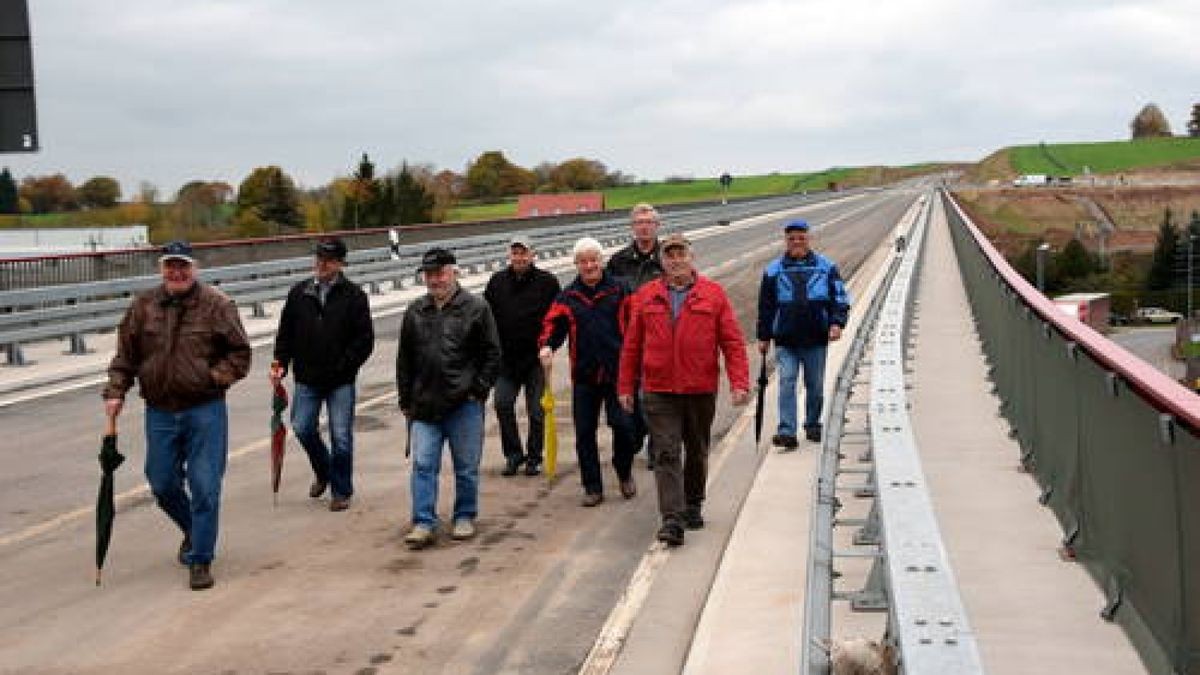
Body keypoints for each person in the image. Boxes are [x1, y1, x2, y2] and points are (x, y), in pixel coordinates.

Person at [102, 241, 251, 590]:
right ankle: (193, 530)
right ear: (162, 269)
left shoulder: (217, 305)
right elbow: (126, 355)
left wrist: (212, 379)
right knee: (162, 482)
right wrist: (115, 391)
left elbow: (239, 354)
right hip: (160, 411)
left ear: (194, 269)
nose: (177, 273)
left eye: (183, 266)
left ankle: (200, 559)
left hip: (204, 410)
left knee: (204, 487)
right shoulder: (143, 306)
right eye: (170, 266)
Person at [619, 233, 750, 546]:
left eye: (681, 255)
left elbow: (732, 341)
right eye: (670, 256)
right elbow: (632, 345)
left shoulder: (713, 294)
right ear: (662, 261)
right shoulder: (647, 295)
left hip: (699, 387)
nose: (676, 261)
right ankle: (672, 519)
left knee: (696, 449)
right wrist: (625, 385)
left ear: (692, 258)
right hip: (658, 389)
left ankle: (693, 503)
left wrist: (739, 382)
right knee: (665, 452)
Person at [396, 247, 501, 549]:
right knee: (423, 464)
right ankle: (423, 521)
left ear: (454, 272)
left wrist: (478, 391)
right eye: (429, 275)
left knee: (466, 466)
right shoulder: (415, 311)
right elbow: (405, 360)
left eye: (440, 273)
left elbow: (493, 356)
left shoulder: (476, 308)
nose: (435, 280)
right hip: (424, 406)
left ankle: (464, 515)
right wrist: (406, 400)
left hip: (464, 404)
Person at [270, 237, 375, 512]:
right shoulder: (298, 293)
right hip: (307, 378)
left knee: (341, 437)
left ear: (340, 263)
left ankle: (341, 491)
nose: (321, 264)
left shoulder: (354, 296)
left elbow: (365, 340)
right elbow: (285, 335)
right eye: (318, 258)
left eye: (328, 260)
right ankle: (324, 471)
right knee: (303, 428)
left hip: (340, 381)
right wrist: (280, 363)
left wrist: (345, 366)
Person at [539, 237, 637, 506]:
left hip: (618, 373)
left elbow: (637, 323)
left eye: (593, 259)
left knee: (624, 426)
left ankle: (624, 469)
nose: (589, 265)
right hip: (584, 375)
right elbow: (553, 327)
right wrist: (547, 346)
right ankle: (592, 486)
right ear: (576, 264)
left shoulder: (621, 289)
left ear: (601, 261)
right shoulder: (567, 296)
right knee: (584, 433)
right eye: (583, 261)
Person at [756, 219, 850, 450]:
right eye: (791, 238)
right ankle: (787, 430)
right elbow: (766, 306)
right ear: (785, 241)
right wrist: (763, 336)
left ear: (808, 239)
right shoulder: (773, 270)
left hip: (816, 338)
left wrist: (837, 323)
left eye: (801, 237)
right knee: (786, 382)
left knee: (815, 386)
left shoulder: (826, 267)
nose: (796, 242)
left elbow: (840, 298)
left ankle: (812, 424)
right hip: (786, 339)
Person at [483, 236, 562, 477]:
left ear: (532, 254)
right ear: (510, 255)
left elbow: (558, 319)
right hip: (506, 361)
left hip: (536, 359)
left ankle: (534, 457)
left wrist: (550, 346)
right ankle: (513, 455)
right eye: (515, 253)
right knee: (502, 404)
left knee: (537, 411)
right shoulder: (497, 282)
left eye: (524, 253)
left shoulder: (547, 283)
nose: (519, 257)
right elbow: (485, 318)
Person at [606, 203, 665, 468]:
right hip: (627, 339)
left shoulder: (668, 257)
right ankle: (640, 434)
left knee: (654, 396)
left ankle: (656, 446)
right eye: (639, 222)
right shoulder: (618, 261)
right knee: (633, 398)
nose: (644, 226)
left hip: (660, 339)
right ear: (632, 227)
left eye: (649, 222)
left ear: (657, 226)